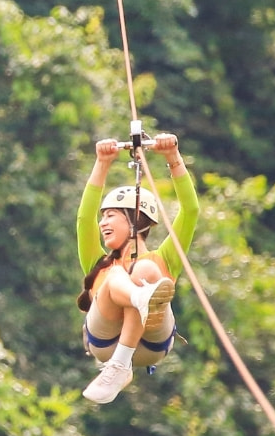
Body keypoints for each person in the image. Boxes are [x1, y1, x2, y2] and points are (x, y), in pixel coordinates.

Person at [74, 132, 196, 404]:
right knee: (119, 274)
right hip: (106, 342)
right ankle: (139, 303)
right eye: (103, 217)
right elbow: (84, 218)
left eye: (111, 215)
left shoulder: (164, 259)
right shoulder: (98, 262)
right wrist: (102, 163)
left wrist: (173, 157)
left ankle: (124, 355)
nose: (103, 223)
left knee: (146, 271)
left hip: (153, 343)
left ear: (136, 219)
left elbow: (190, 211)